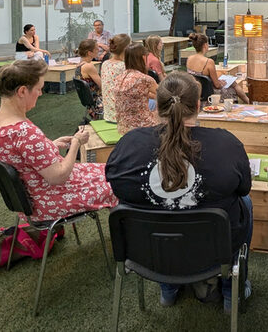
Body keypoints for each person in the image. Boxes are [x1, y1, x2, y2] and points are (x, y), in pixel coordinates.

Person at [106, 71, 253, 311]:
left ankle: (168, 288)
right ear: (198, 105)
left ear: (156, 107)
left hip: (148, 251)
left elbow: (116, 185)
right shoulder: (226, 143)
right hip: (213, 250)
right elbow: (243, 188)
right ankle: (231, 291)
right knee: (245, 202)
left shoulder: (129, 144)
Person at [0, 59, 117, 221]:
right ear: (22, 91)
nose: (40, 93)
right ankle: (124, 240)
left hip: (31, 197)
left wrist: (49, 145)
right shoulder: (25, 132)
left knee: (112, 170)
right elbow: (58, 176)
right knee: (119, 182)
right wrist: (76, 142)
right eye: (39, 89)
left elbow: (18, 159)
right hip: (47, 201)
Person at [186, 33, 249, 104]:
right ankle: (248, 102)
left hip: (197, 91)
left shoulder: (189, 59)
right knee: (233, 85)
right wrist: (221, 83)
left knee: (231, 83)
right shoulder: (208, 62)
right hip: (210, 93)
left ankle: (248, 101)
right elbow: (217, 85)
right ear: (205, 45)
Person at [114, 43, 159, 135]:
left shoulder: (119, 78)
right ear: (143, 58)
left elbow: (134, 95)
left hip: (123, 127)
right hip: (142, 127)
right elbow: (165, 95)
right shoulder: (144, 79)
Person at [100, 34, 131, 123]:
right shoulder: (124, 66)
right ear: (126, 49)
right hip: (122, 116)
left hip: (108, 114)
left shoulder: (105, 64)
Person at [74, 39, 103, 120]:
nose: (99, 50)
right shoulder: (89, 66)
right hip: (96, 101)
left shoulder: (79, 65)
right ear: (89, 53)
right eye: (97, 49)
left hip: (89, 101)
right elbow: (102, 85)